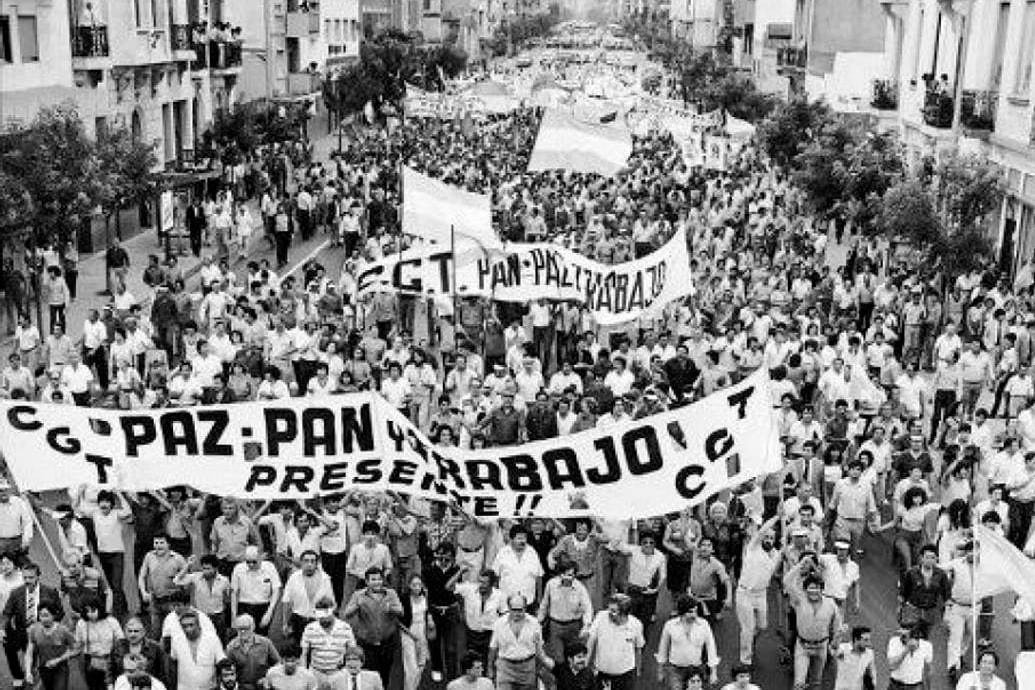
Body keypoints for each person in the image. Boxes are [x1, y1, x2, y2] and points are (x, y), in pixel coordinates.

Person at [3, 562, 63, 688]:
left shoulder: (50, 592)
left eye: (31, 577)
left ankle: (38, 677)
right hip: (22, 632)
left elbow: (59, 613)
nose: (27, 581)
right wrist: (2, 628)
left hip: (42, 632)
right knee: (12, 648)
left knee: (40, 661)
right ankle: (21, 676)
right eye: (24, 577)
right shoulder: (16, 593)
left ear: (38, 577)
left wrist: (45, 626)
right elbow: (7, 613)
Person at [342, 566, 402, 686]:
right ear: (367, 582)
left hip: (387, 642)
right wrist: (357, 606)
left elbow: (401, 611)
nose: (377, 582)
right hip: (367, 643)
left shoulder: (391, 593)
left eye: (379, 579)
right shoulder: (358, 595)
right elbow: (346, 614)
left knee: (385, 673)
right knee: (368, 675)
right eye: (373, 580)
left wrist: (391, 608)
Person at [487, 593, 553, 690]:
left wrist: (544, 663)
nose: (517, 613)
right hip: (505, 667)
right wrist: (490, 668)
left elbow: (539, 648)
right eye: (514, 610)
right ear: (508, 608)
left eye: (520, 610)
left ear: (525, 608)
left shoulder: (534, 623)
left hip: (527, 668)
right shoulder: (499, 623)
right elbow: (493, 648)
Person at [536, 558, 593, 663]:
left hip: (573, 627)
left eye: (570, 575)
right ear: (559, 574)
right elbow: (544, 604)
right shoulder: (551, 585)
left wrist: (586, 625)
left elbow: (587, 608)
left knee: (573, 657)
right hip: (555, 626)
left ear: (575, 575)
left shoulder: (580, 588)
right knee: (558, 659)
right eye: (564, 574)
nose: (567, 577)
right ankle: (560, 678)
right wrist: (539, 621)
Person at [656, 593, 718, 687]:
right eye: (690, 612)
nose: (694, 615)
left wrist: (714, 672)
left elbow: (711, 648)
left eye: (695, 611)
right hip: (675, 670)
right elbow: (663, 649)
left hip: (696, 670)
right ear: (682, 612)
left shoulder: (704, 624)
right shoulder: (670, 625)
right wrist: (660, 670)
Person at [586, 593, 643, 690]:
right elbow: (591, 642)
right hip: (602, 675)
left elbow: (638, 648)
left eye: (613, 611)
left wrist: (638, 670)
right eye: (609, 609)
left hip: (625, 676)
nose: (609, 613)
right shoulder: (600, 617)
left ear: (624, 613)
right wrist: (585, 665)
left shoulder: (636, 625)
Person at [23, 601, 77, 690]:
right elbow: (29, 652)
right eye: (41, 615)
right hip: (43, 668)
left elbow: (75, 649)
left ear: (54, 615)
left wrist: (59, 659)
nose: (43, 619)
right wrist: (28, 672)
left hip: (61, 669)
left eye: (46, 615)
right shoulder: (34, 629)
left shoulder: (63, 630)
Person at [230, 545, 282, 636]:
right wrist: (234, 616)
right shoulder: (238, 569)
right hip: (244, 605)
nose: (251, 565)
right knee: (244, 635)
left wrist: (269, 612)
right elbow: (234, 592)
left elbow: (276, 590)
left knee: (262, 635)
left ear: (260, 558)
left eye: (254, 562)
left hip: (263, 605)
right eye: (248, 562)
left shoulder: (270, 567)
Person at [224, 614, 280, 690]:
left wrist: (268, 678)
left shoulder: (265, 643)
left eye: (246, 628)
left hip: (262, 685)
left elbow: (278, 663)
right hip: (241, 686)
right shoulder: (231, 647)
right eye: (240, 629)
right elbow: (226, 669)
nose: (243, 631)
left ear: (253, 627)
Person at [886, 624, 933, 690]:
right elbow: (892, 666)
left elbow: (928, 670)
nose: (903, 637)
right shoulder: (894, 641)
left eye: (906, 635)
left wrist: (928, 688)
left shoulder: (927, 646)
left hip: (915, 686)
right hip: (895, 685)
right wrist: (906, 650)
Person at [833, 626, 875, 690]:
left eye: (869, 640)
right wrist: (838, 635)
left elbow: (871, 673)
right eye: (865, 640)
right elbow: (834, 649)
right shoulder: (843, 650)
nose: (868, 643)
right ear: (856, 639)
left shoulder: (869, 653)